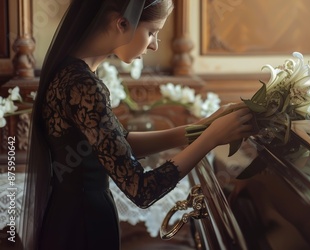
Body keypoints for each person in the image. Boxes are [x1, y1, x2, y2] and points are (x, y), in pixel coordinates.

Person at [21, 0, 254, 249]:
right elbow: (142, 190)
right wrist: (210, 140)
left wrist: (203, 128)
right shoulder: (82, 84)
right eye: (152, 32)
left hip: (71, 218)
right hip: (83, 227)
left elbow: (119, 146)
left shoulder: (72, 72)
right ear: (121, 23)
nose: (154, 44)